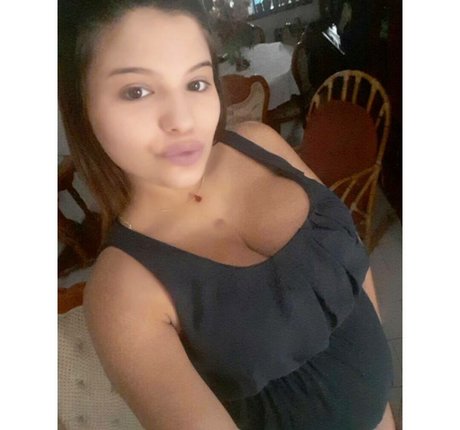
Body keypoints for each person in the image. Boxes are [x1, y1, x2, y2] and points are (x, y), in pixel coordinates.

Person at [58, 1, 396, 428]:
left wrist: (381, 402)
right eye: (136, 91)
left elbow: (350, 266)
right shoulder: (122, 291)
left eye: (196, 83)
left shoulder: (261, 143)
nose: (183, 120)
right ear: (81, 106)